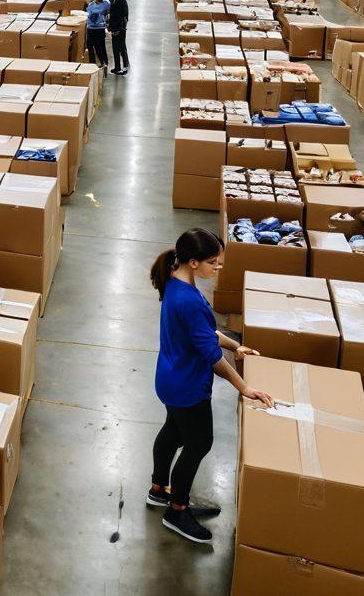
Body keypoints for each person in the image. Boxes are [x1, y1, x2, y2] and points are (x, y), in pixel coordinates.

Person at [149, 229, 273, 544]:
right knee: (198, 444)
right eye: (213, 262)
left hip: (170, 378)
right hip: (188, 387)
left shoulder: (176, 282)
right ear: (193, 262)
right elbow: (212, 358)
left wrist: (236, 345)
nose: (219, 268)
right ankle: (177, 510)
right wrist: (244, 387)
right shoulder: (188, 299)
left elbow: (205, 332)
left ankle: (159, 489)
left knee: (173, 432)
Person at [85, 0, 110, 71]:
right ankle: (93, 64)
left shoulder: (106, 4)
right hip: (90, 29)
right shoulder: (90, 5)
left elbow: (107, 12)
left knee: (101, 47)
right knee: (91, 46)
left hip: (99, 29)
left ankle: (105, 63)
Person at [109, 0, 130, 76]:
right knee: (115, 49)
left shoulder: (122, 1)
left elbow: (124, 18)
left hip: (120, 30)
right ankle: (117, 67)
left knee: (122, 47)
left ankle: (125, 66)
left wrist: (119, 29)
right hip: (114, 29)